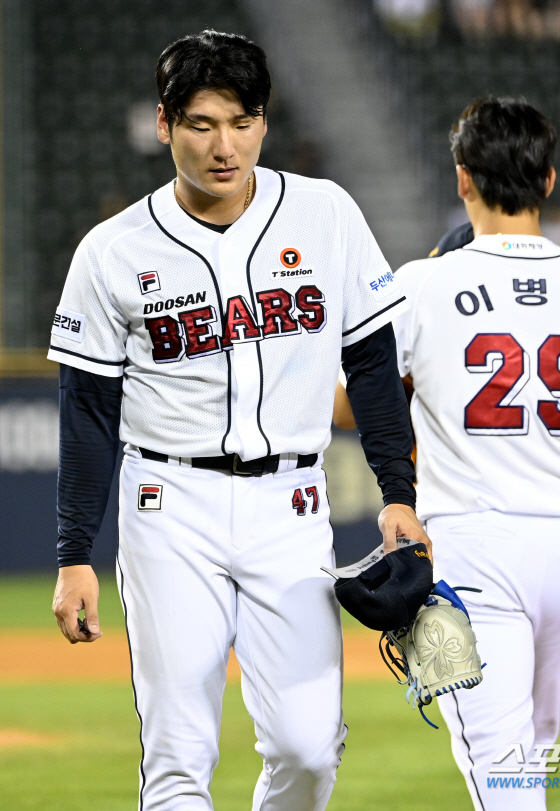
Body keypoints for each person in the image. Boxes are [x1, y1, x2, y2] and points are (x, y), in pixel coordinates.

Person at [48, 30, 429, 811]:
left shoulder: (325, 212)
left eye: (242, 120)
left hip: (289, 507)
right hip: (168, 506)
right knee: (180, 754)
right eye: (202, 123)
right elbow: (87, 410)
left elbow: (372, 364)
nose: (226, 145)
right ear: (164, 124)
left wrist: (399, 491)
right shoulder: (111, 250)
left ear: (265, 119)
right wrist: (74, 551)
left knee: (309, 748)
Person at [391, 97, 560, 810]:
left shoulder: (422, 284)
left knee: (499, 767)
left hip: (475, 542)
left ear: (462, 180)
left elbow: (347, 400)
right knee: (533, 745)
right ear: (548, 181)